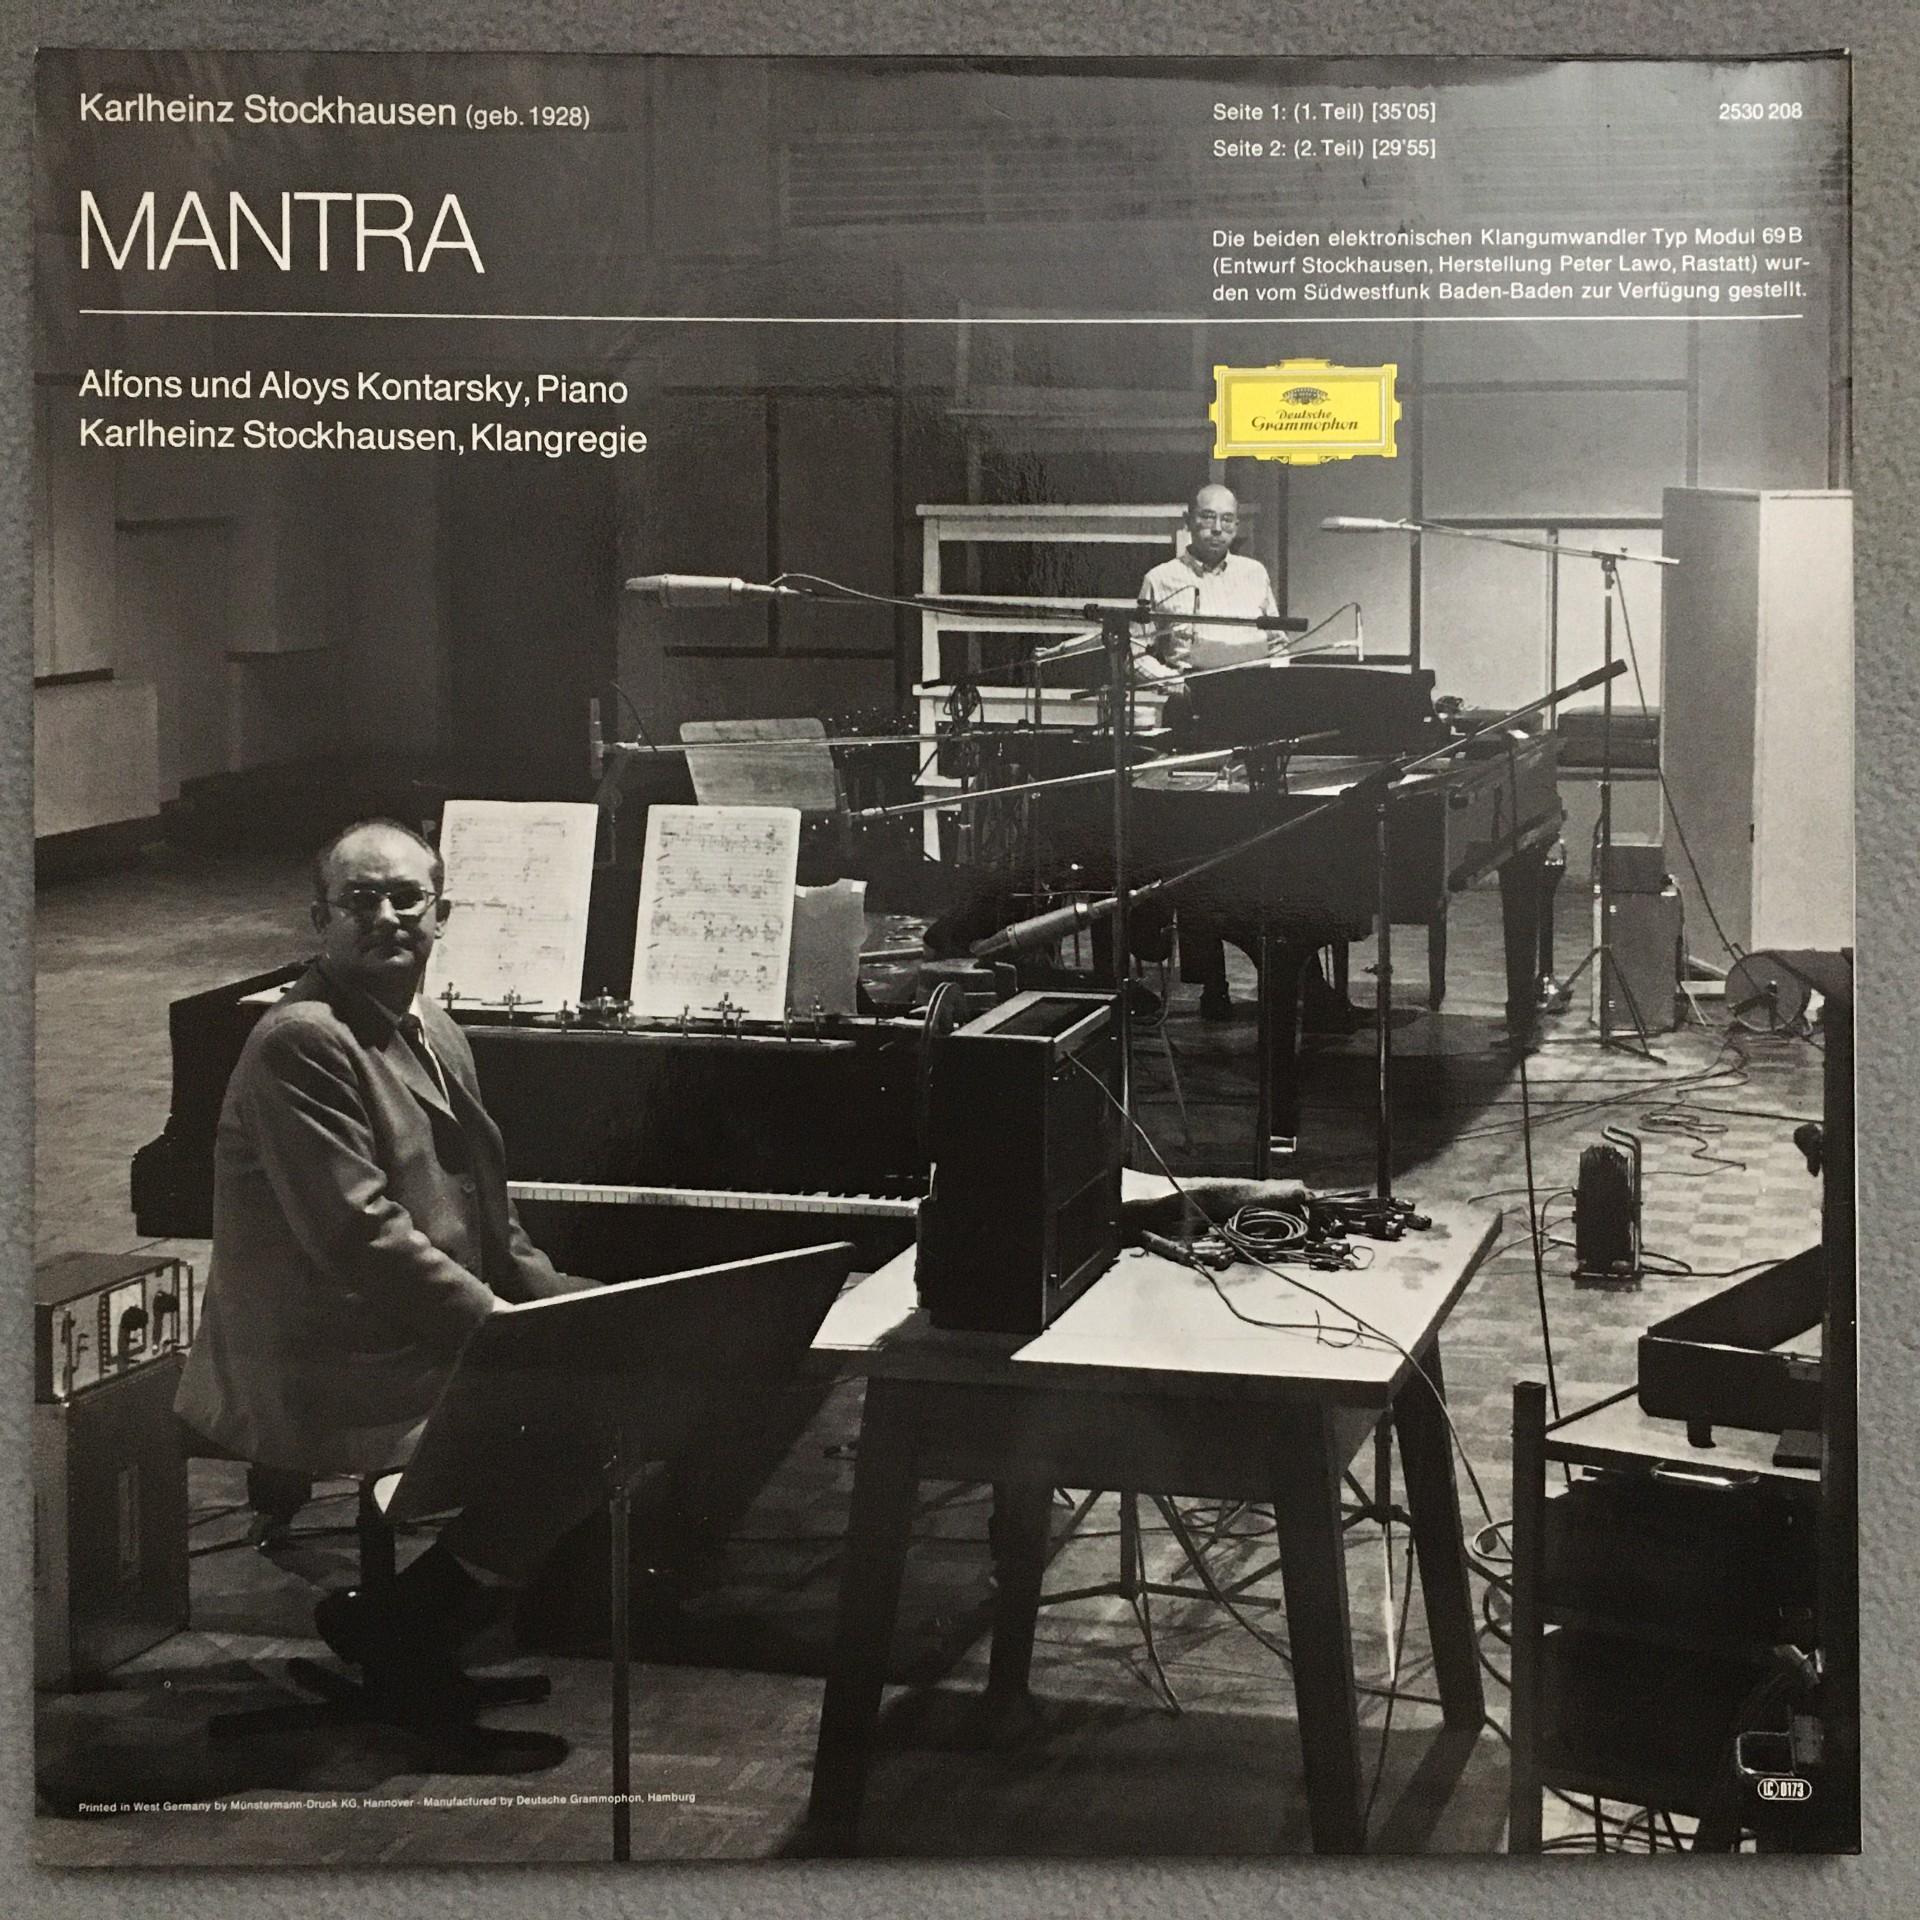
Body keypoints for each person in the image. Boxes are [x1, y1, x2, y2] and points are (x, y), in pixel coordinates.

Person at [176, 818, 601, 1709]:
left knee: (615, 1379)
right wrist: (506, 1332)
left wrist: (580, 1306)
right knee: (576, 1427)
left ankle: (403, 1627)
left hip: (393, 1334)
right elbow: (361, 1236)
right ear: (320, 919)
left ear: (441, 913)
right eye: (359, 899)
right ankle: (410, 1632)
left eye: (407, 897)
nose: (386, 916)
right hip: (328, 1361)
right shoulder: (303, 1039)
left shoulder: (431, 1026)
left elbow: (489, 1218)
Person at [1134, 482, 1282, 684]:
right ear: (1188, 521)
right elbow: (1136, 654)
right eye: (1208, 517)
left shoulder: (1256, 573)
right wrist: (1172, 683)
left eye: (1227, 519)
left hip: (1254, 692)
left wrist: (1278, 685)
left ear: (1236, 526)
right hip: (1191, 695)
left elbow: (1277, 645)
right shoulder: (1159, 578)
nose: (1217, 529)